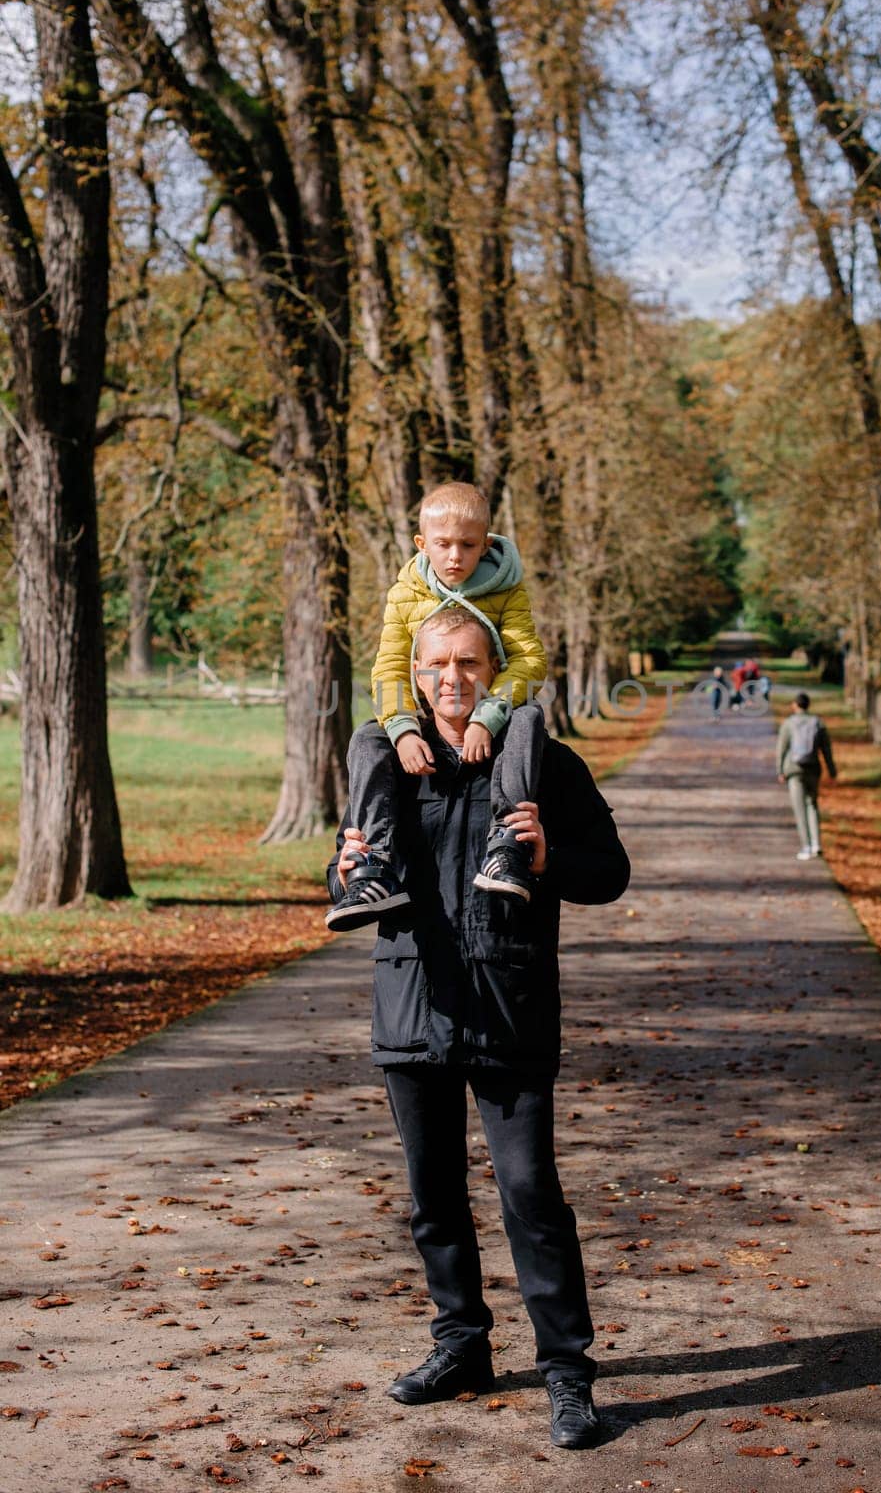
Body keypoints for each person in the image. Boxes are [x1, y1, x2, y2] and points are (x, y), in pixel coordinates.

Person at [326, 609, 630, 1451]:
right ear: (413, 673)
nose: (451, 680)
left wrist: (545, 859)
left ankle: (568, 1375)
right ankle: (461, 1346)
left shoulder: (544, 764)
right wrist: (344, 865)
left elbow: (610, 871)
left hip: (509, 1008)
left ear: (495, 671)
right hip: (411, 1003)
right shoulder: (390, 762)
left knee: (530, 1194)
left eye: (468, 663)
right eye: (435, 665)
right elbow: (346, 862)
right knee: (434, 1200)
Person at [327, 482, 548, 932]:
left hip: (493, 710)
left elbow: (529, 660)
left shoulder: (507, 591)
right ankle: (376, 862)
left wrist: (488, 716)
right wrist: (403, 729)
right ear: (422, 544)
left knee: (529, 717)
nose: (454, 557)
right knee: (368, 737)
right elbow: (388, 668)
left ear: (486, 543)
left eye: (468, 546)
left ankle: (507, 845)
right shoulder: (404, 595)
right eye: (443, 545)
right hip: (424, 716)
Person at [776, 691, 837, 860]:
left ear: (794, 705)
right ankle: (817, 843)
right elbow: (826, 749)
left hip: (794, 770)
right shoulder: (817, 723)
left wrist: (780, 770)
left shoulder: (789, 724)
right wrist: (832, 770)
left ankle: (806, 846)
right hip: (813, 769)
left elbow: (781, 748)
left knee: (799, 808)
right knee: (812, 805)